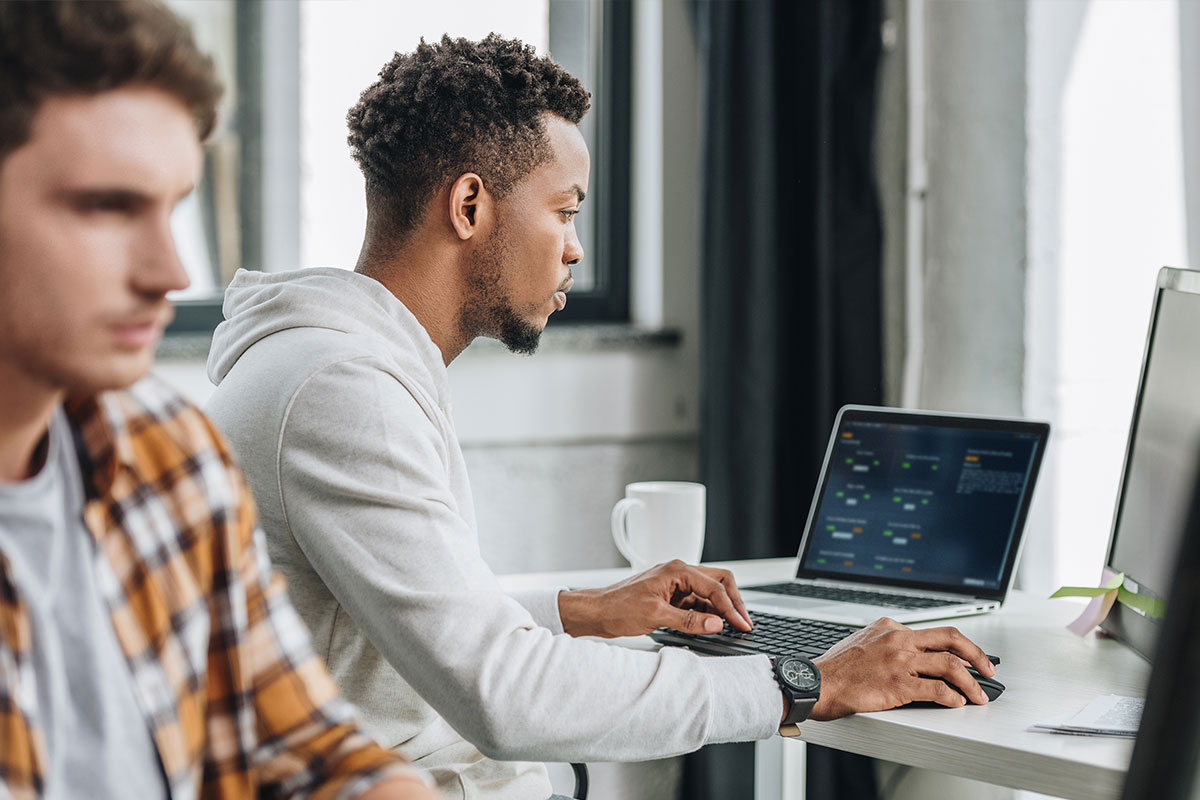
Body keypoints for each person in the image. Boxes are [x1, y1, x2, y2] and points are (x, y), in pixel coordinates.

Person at [205, 34, 998, 800]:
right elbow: (506, 697)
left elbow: (407, 616)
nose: (576, 249)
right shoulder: (345, 390)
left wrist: (578, 612)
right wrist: (806, 680)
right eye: (564, 210)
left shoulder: (329, 363)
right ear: (470, 204)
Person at [0, 2, 443, 798]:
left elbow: (298, 742)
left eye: (172, 208)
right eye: (107, 207)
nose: (170, 270)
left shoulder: (171, 460)